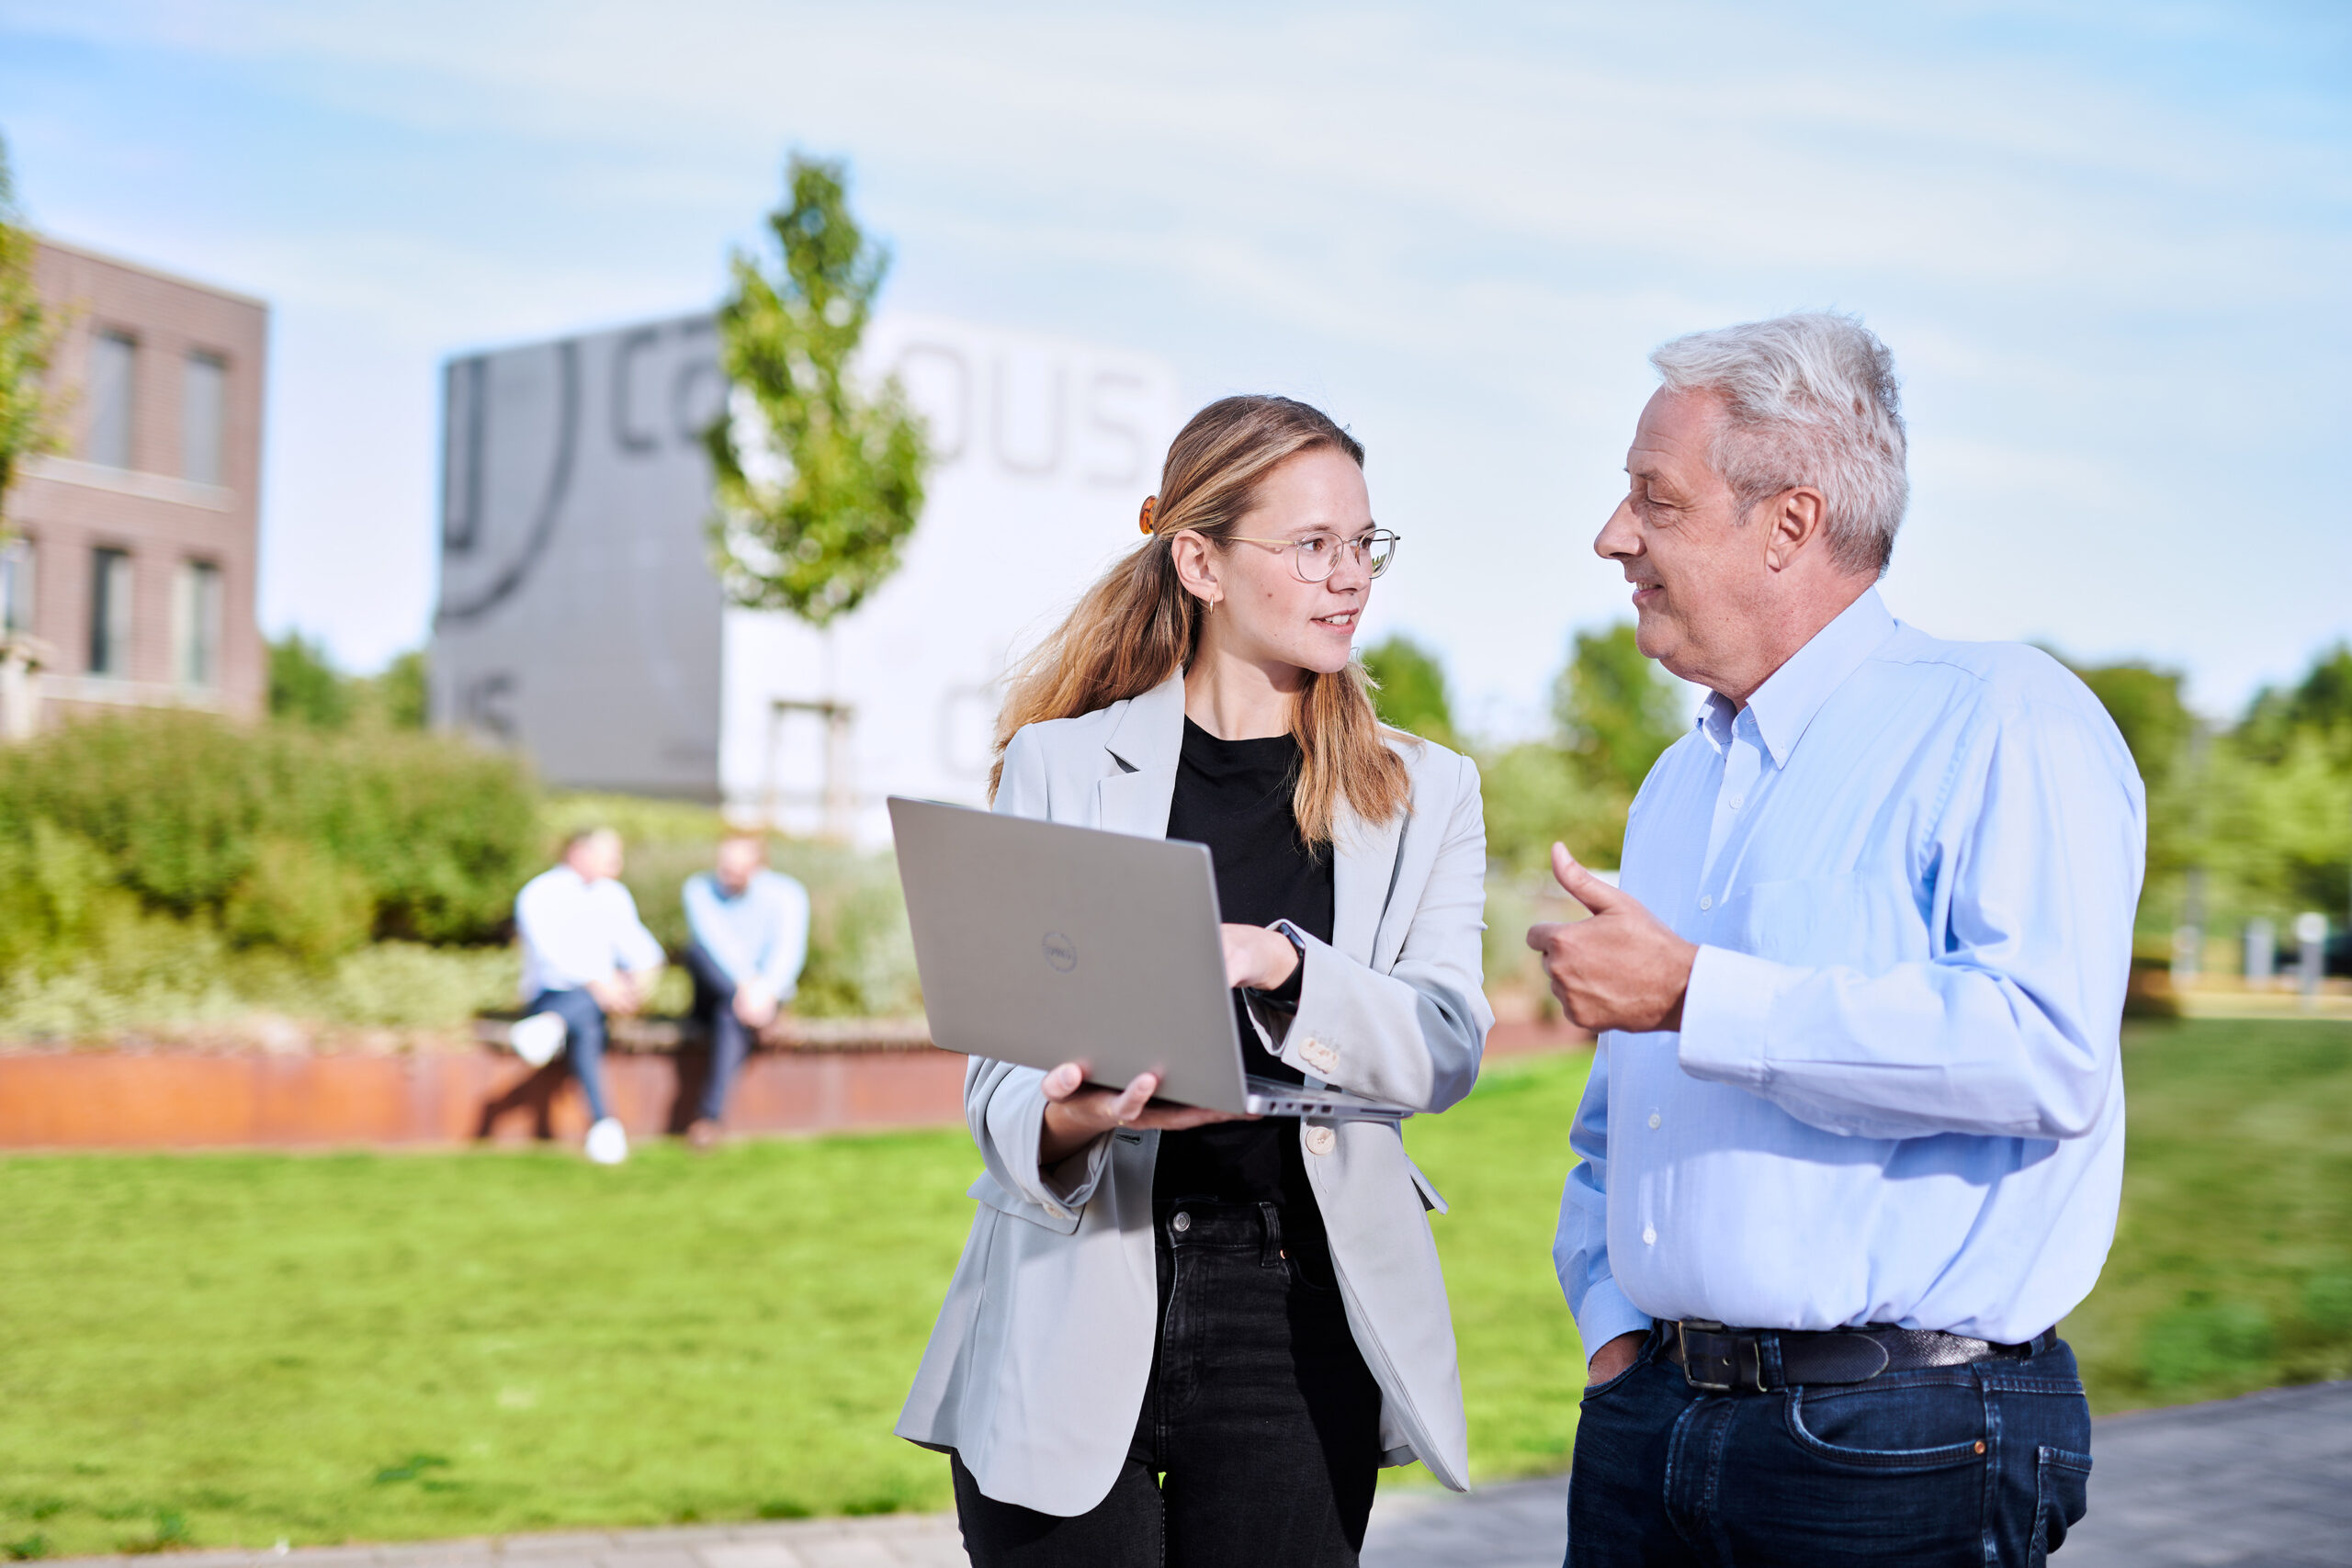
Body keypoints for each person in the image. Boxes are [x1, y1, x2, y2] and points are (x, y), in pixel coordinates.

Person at [1532, 313, 2144, 1567]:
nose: (1613, 536)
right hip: (1653, 1422)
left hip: (1892, 1440)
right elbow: (1621, 1119)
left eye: (1654, 498)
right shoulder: (1674, 786)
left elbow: (2044, 1052)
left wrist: (1698, 994)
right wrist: (1611, 1322)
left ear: (1791, 523)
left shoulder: (2006, 721)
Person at [897, 396, 1492, 1567]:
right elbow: (997, 1079)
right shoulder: (1062, 763)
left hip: (1292, 1310)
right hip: (1071, 1290)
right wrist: (1074, 1116)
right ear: (1199, 561)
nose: (1349, 578)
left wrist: (1279, 964)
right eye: (1311, 545)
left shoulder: (1429, 794)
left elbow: (1446, 1045)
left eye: (1363, 544)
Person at [512, 827, 667, 1166]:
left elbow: (642, 950)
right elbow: (550, 958)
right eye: (610, 854)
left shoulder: (614, 895)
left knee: (588, 1016)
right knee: (588, 1020)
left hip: (600, 998)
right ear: (579, 853)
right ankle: (603, 1124)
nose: (618, 862)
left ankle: (552, 1028)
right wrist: (600, 984)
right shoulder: (540, 893)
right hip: (550, 995)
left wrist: (639, 984)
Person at [680, 831, 810, 1148]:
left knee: (730, 1015)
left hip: (758, 996)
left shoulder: (787, 894)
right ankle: (764, 1022)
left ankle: (709, 1118)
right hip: (720, 988)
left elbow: (788, 951)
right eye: (726, 866)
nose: (730, 874)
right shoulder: (698, 889)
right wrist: (746, 987)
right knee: (696, 953)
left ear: (760, 866)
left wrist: (764, 991)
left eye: (739, 867)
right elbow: (715, 944)